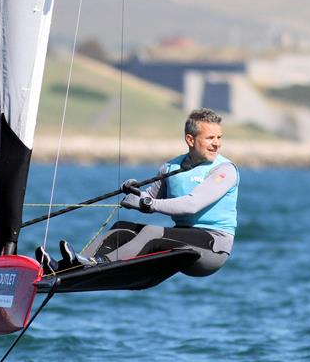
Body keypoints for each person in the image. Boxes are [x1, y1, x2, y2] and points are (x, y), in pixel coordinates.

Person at [38, 108, 238, 277]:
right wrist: (135, 193)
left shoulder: (224, 170)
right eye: (210, 138)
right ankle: (67, 267)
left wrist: (148, 203)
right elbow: (148, 200)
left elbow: (191, 205)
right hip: (184, 238)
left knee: (151, 233)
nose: (217, 143)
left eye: (219, 137)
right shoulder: (170, 167)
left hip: (213, 247)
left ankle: (97, 265)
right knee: (121, 228)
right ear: (190, 139)